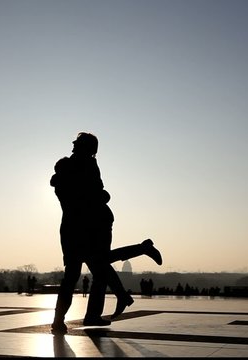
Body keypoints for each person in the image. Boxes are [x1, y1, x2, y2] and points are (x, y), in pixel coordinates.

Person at [50, 132, 162, 334]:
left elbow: (91, 195)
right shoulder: (85, 167)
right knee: (100, 265)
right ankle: (140, 251)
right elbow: (96, 195)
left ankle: (63, 320)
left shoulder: (69, 172)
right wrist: (101, 196)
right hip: (90, 226)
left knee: (83, 272)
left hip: (75, 229)